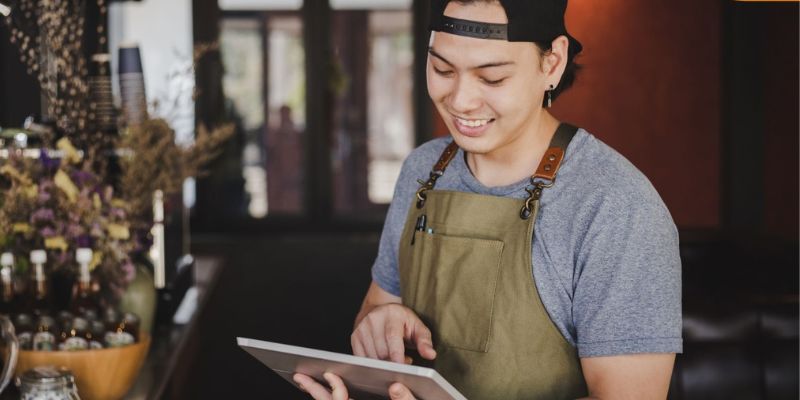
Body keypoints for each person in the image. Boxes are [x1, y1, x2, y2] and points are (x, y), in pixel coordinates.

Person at [295, 0, 682, 398]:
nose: (460, 100)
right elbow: (376, 308)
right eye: (442, 69)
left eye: (492, 78)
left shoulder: (615, 206)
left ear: (552, 63)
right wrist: (378, 322)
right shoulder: (424, 170)